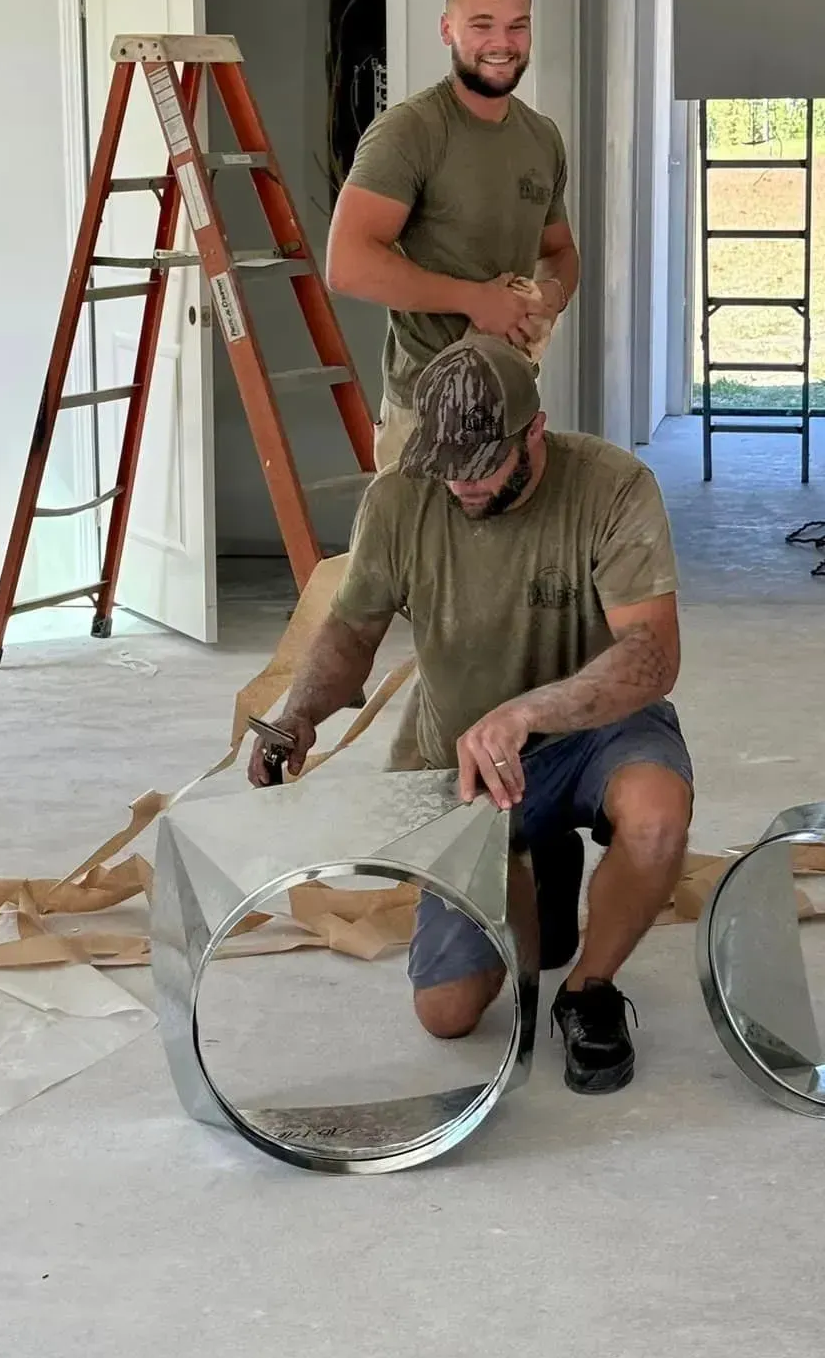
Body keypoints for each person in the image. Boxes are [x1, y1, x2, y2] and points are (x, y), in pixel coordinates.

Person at [248, 335, 693, 1096]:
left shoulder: (613, 488)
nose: (461, 487)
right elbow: (353, 632)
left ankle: (589, 990)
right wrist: (299, 715)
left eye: (482, 466)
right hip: (460, 765)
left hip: (593, 732)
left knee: (655, 812)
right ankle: (532, 854)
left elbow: (652, 656)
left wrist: (528, 711)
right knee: (447, 1013)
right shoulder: (399, 498)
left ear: (535, 431)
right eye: (446, 467)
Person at [326, 0, 580, 471]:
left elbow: (558, 251)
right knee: (417, 554)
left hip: (511, 403)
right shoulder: (411, 131)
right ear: (447, 29)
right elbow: (346, 264)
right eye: (481, 25)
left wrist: (552, 295)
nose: (502, 44)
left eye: (517, 26)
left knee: (508, 554)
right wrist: (475, 301)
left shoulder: (541, 138)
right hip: (424, 408)